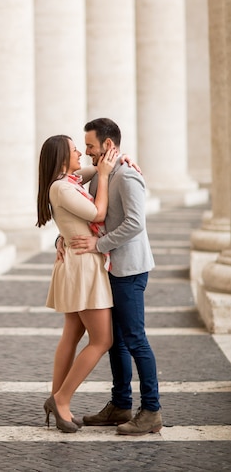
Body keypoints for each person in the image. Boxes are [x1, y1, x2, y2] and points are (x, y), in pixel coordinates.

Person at [68, 117, 162, 436]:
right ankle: (120, 405)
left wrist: (100, 244)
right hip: (110, 268)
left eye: (91, 146)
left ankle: (151, 411)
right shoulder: (105, 173)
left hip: (130, 269)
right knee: (116, 342)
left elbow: (136, 223)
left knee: (135, 339)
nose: (87, 151)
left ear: (108, 144)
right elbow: (76, 193)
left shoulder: (128, 176)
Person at [36, 134, 117, 433]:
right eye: (74, 150)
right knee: (102, 340)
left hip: (77, 263)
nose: (81, 152)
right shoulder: (61, 188)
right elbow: (98, 213)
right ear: (61, 157)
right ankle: (62, 400)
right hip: (82, 266)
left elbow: (97, 168)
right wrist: (107, 176)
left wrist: (120, 161)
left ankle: (57, 399)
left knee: (72, 333)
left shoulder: (67, 181)